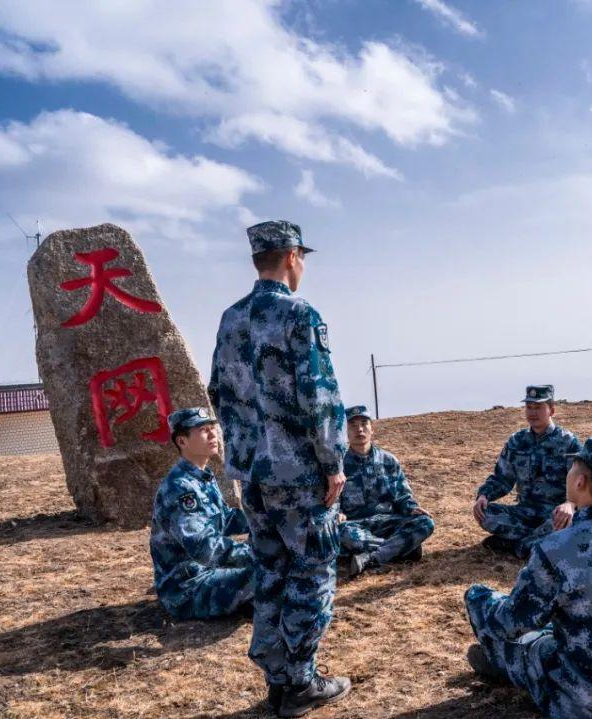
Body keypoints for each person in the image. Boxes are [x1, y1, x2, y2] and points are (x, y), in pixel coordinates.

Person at [208, 220, 350, 717]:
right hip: (298, 475)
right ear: (291, 257)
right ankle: (300, 683)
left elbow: (216, 393)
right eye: (303, 257)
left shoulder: (231, 318)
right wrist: (333, 463)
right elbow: (320, 397)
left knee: (271, 570)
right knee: (312, 573)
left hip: (253, 475)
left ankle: (277, 678)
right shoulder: (299, 313)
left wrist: (241, 456)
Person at [464, 438, 592, 719]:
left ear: (580, 481)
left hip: (581, 702)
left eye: (572, 466)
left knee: (481, 600)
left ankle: (502, 661)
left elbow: (513, 622)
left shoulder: (557, 547)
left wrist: (487, 608)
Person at [150, 407, 255, 620]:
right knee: (272, 573)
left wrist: (270, 521)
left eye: (212, 428)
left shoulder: (201, 478)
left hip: (207, 574)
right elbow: (203, 547)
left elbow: (227, 519)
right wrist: (255, 553)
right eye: (203, 430)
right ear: (182, 442)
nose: (213, 434)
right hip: (187, 589)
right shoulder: (181, 488)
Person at [472, 385, 582, 558]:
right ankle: (537, 542)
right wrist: (484, 495)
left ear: (551, 410)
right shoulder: (517, 442)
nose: (532, 413)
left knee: (571, 523)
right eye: (529, 407)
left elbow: (581, 484)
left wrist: (571, 503)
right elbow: (502, 478)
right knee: (485, 514)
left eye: (538, 407)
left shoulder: (569, 443)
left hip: (555, 515)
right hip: (525, 512)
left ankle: (517, 545)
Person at [338, 405, 435, 577]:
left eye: (364, 424)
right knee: (339, 532)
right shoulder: (338, 465)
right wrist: (337, 513)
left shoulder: (388, 461)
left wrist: (411, 508)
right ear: (345, 431)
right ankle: (404, 549)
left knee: (425, 523)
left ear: (372, 429)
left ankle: (373, 558)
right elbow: (331, 499)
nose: (359, 429)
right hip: (356, 525)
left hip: (387, 522)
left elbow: (402, 495)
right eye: (353, 425)